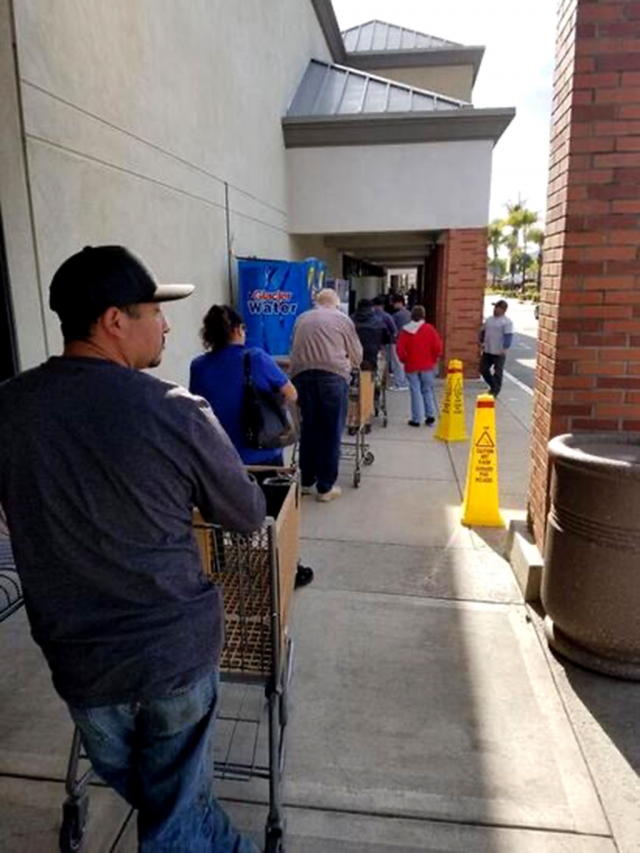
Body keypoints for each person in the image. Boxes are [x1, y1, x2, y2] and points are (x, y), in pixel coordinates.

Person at [0, 245, 265, 852]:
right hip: (171, 655)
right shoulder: (173, 411)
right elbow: (246, 513)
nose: (166, 326)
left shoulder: (9, 407)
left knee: (170, 805)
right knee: (177, 818)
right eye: (155, 311)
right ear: (114, 320)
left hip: (79, 664)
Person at [189, 304, 313, 588]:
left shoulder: (198, 365)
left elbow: (197, 405)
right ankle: (285, 567)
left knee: (218, 514)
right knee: (275, 514)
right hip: (261, 454)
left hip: (218, 457)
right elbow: (291, 393)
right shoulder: (255, 357)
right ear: (237, 330)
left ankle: (218, 565)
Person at [290, 288, 362, 502]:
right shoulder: (342, 319)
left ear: (317, 302)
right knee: (330, 432)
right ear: (336, 303)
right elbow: (357, 355)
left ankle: (306, 481)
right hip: (332, 378)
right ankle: (325, 487)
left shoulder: (302, 318)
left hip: (302, 377)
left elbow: (293, 347)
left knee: (309, 428)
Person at [397, 305, 443, 427]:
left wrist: (404, 360)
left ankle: (416, 418)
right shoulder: (430, 329)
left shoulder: (405, 331)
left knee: (415, 391)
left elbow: (400, 349)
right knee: (427, 390)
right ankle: (430, 415)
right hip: (427, 365)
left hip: (411, 365)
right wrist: (434, 359)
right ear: (423, 316)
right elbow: (437, 347)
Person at [350, 298, 389, 434]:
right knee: (367, 389)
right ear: (371, 308)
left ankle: (352, 422)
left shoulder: (350, 321)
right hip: (370, 360)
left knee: (353, 390)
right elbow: (386, 338)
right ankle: (365, 421)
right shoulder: (378, 321)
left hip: (353, 359)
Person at [480, 298, 513, 397]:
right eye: (495, 307)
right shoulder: (489, 320)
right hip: (488, 349)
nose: (495, 310)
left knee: (498, 372)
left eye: (497, 308)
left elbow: (508, 336)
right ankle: (493, 386)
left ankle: (495, 390)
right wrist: (481, 341)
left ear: (503, 310)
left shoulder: (506, 322)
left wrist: (505, 348)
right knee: (483, 369)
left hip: (499, 351)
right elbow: (483, 331)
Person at [389, 294, 412, 390]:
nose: (393, 305)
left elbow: (392, 329)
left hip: (397, 341)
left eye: (394, 303)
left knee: (397, 362)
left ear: (399, 303)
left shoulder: (396, 315)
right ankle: (406, 381)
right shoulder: (409, 314)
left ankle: (400, 383)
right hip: (408, 341)